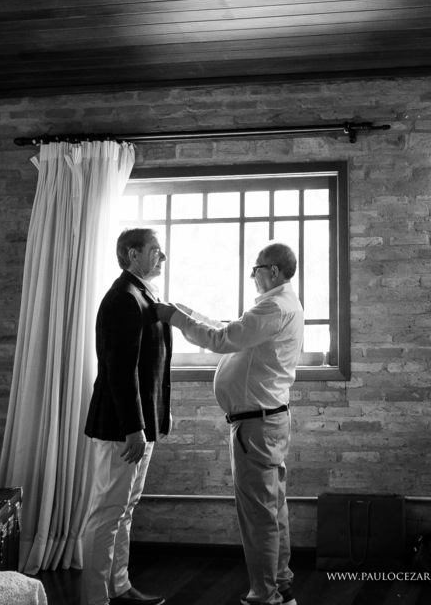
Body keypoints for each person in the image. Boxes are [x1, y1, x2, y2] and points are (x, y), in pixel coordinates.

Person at [155, 242, 304, 605]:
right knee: (272, 508)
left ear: (273, 271)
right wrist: (185, 312)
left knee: (258, 515)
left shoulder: (273, 306)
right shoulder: (281, 303)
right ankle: (281, 584)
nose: (252, 275)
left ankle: (265, 596)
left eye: (257, 269)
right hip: (265, 421)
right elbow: (232, 331)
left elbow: (222, 339)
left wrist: (174, 318)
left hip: (256, 426)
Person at [82, 228, 172, 605]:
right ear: (133, 255)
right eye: (155, 250)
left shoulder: (143, 294)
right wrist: (134, 427)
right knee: (108, 511)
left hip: (141, 426)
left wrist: (158, 418)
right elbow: (120, 370)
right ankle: (94, 598)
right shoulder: (123, 298)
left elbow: (151, 366)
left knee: (125, 508)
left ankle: (119, 585)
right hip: (122, 428)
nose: (162, 257)